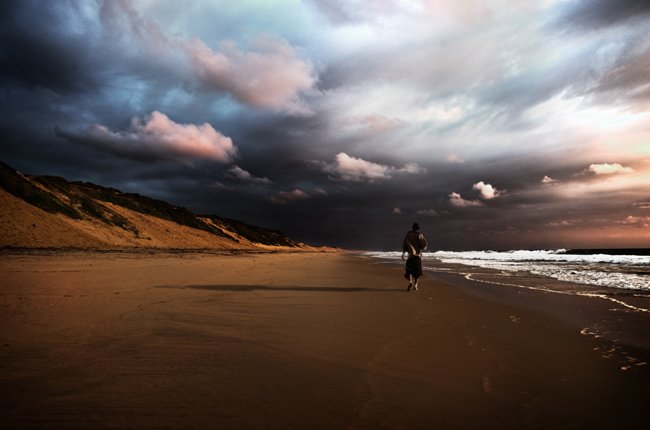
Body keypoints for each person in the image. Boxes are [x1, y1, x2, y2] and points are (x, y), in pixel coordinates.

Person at [401, 222, 427, 292]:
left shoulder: (408, 234)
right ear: (418, 228)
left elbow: (404, 244)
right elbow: (424, 246)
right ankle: (415, 286)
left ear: (412, 227)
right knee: (417, 272)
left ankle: (410, 282)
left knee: (409, 270)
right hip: (417, 256)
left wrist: (403, 253)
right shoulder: (419, 235)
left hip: (411, 256)